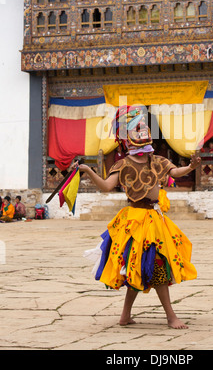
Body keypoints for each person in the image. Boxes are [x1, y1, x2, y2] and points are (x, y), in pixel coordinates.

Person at [78, 105, 200, 329]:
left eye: (143, 127)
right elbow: (106, 186)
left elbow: (174, 172)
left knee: (141, 266)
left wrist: (190, 167)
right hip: (134, 220)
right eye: (136, 128)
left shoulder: (157, 161)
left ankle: (125, 316)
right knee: (151, 263)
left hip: (155, 219)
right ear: (126, 137)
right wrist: (88, 171)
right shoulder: (122, 164)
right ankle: (171, 316)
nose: (142, 131)